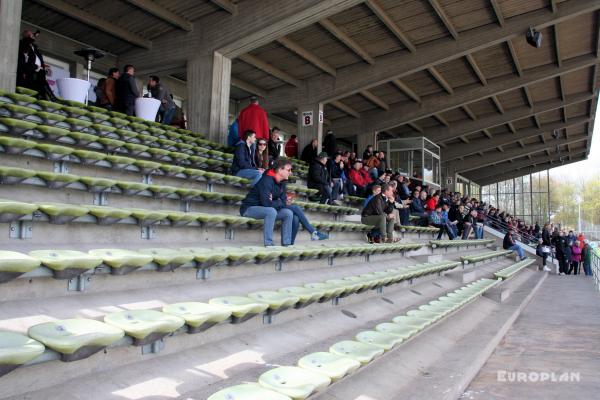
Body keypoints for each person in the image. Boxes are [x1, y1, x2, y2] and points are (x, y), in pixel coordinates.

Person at [240, 159, 327, 246]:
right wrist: (279, 202)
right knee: (272, 211)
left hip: (265, 207)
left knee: (288, 213)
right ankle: (269, 243)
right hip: (250, 208)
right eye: (288, 170)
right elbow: (267, 204)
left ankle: (287, 244)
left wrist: (277, 201)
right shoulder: (266, 180)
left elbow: (282, 200)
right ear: (280, 170)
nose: (290, 172)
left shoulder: (282, 182)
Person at [17, 30, 54, 100]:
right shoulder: (23, 45)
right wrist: (37, 67)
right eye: (30, 35)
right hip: (29, 74)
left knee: (41, 81)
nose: (33, 37)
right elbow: (25, 64)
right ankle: (51, 97)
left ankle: (49, 97)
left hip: (37, 72)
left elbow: (38, 60)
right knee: (41, 81)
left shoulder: (35, 48)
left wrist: (43, 67)